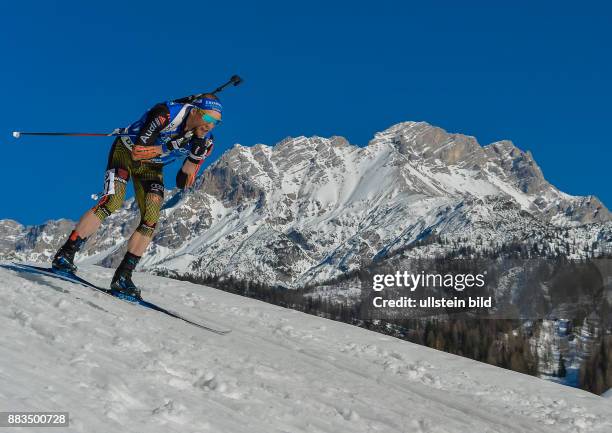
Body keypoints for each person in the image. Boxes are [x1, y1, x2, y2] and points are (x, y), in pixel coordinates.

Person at [51, 94, 223, 299]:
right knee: (112, 201)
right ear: (194, 111)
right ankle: (66, 254)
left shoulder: (206, 141)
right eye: (209, 119)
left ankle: (123, 276)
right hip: (126, 152)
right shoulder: (166, 114)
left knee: (151, 217)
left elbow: (184, 179)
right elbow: (138, 152)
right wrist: (171, 146)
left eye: (217, 122)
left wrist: (195, 157)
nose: (211, 125)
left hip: (152, 167)